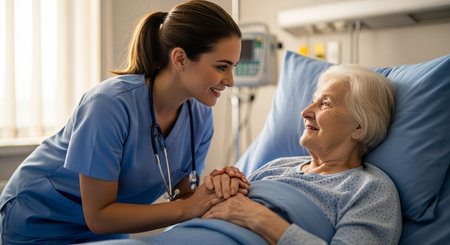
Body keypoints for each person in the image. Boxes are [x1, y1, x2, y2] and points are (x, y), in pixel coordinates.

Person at [0, 1, 249, 244]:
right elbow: (99, 216)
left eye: (233, 68)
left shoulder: (200, 114)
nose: (230, 81)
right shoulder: (108, 105)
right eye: (221, 67)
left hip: (106, 230)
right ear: (180, 59)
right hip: (39, 219)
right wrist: (187, 207)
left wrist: (218, 188)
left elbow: (184, 195)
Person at [201, 64, 402, 244]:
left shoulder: (370, 190)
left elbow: (242, 211)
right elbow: (226, 208)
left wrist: (257, 217)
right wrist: (222, 187)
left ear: (359, 126)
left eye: (325, 103)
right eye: (313, 101)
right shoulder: (277, 165)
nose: (305, 112)